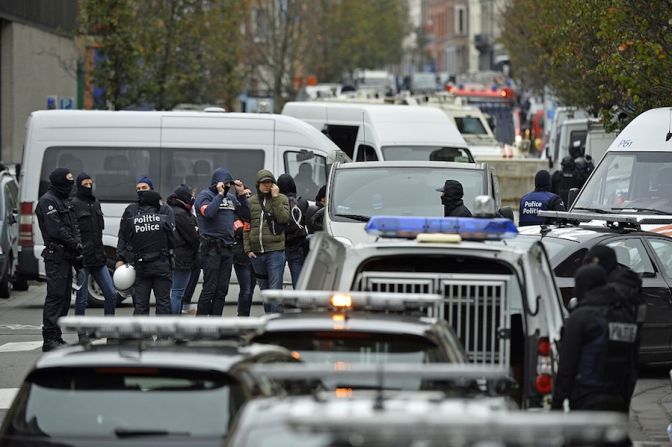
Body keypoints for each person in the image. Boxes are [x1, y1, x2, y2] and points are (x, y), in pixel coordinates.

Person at [551, 264, 638, 412]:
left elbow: (567, 367)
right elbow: (632, 364)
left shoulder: (580, 317)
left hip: (586, 399)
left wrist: (557, 404)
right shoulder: (625, 316)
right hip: (618, 400)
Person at [36, 168, 81, 352]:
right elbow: (56, 230)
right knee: (55, 297)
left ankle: (57, 336)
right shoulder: (48, 201)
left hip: (66, 256)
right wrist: (75, 244)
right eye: (67, 181)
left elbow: (73, 226)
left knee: (63, 298)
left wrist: (78, 244)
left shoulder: (64, 199)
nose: (70, 185)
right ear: (58, 182)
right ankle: (49, 338)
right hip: (56, 256)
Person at [194, 168, 249, 316]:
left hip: (227, 249)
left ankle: (215, 323)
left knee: (222, 289)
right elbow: (209, 213)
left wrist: (241, 195)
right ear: (216, 184)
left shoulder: (231, 198)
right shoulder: (204, 196)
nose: (227, 187)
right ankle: (198, 325)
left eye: (228, 185)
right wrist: (219, 195)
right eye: (224, 184)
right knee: (210, 288)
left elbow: (246, 215)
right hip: (211, 248)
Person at [117, 190, 174, 315]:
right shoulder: (163, 220)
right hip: (162, 266)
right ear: (154, 202)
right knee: (163, 303)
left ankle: (142, 334)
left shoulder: (133, 221)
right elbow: (173, 241)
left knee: (141, 304)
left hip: (141, 268)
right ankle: (163, 334)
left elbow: (126, 239)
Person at [71, 172, 118, 317]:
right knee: (82, 299)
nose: (88, 186)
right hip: (82, 260)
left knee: (111, 294)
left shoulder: (96, 203)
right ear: (79, 185)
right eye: (85, 184)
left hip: (99, 258)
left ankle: (109, 330)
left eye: (90, 183)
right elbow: (73, 232)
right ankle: (82, 334)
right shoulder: (73, 205)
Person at [244, 169, 289, 313]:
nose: (267, 185)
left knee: (275, 290)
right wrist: (248, 249)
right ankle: (270, 319)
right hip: (257, 253)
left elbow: (283, 219)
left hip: (275, 252)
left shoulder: (281, 198)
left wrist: (275, 198)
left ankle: (275, 323)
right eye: (264, 183)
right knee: (264, 291)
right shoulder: (250, 202)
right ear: (258, 184)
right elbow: (246, 226)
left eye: (270, 182)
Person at [167, 184, 199, 315]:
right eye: (191, 196)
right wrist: (197, 232)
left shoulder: (170, 210)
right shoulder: (181, 214)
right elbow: (192, 238)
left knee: (173, 293)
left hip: (172, 257)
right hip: (182, 258)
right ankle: (174, 326)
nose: (192, 199)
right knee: (177, 293)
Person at [277, 174, 309, 287]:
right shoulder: (302, 202)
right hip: (297, 244)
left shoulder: (278, 201)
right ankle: (299, 302)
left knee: (276, 279)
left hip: (280, 244)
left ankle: (277, 303)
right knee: (298, 280)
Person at [232, 183, 256, 316]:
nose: (248, 197)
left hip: (254, 255)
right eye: (245, 195)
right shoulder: (234, 212)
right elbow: (240, 230)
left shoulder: (256, 212)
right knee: (246, 289)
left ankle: (244, 316)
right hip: (241, 256)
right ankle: (242, 317)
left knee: (251, 289)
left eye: (249, 195)